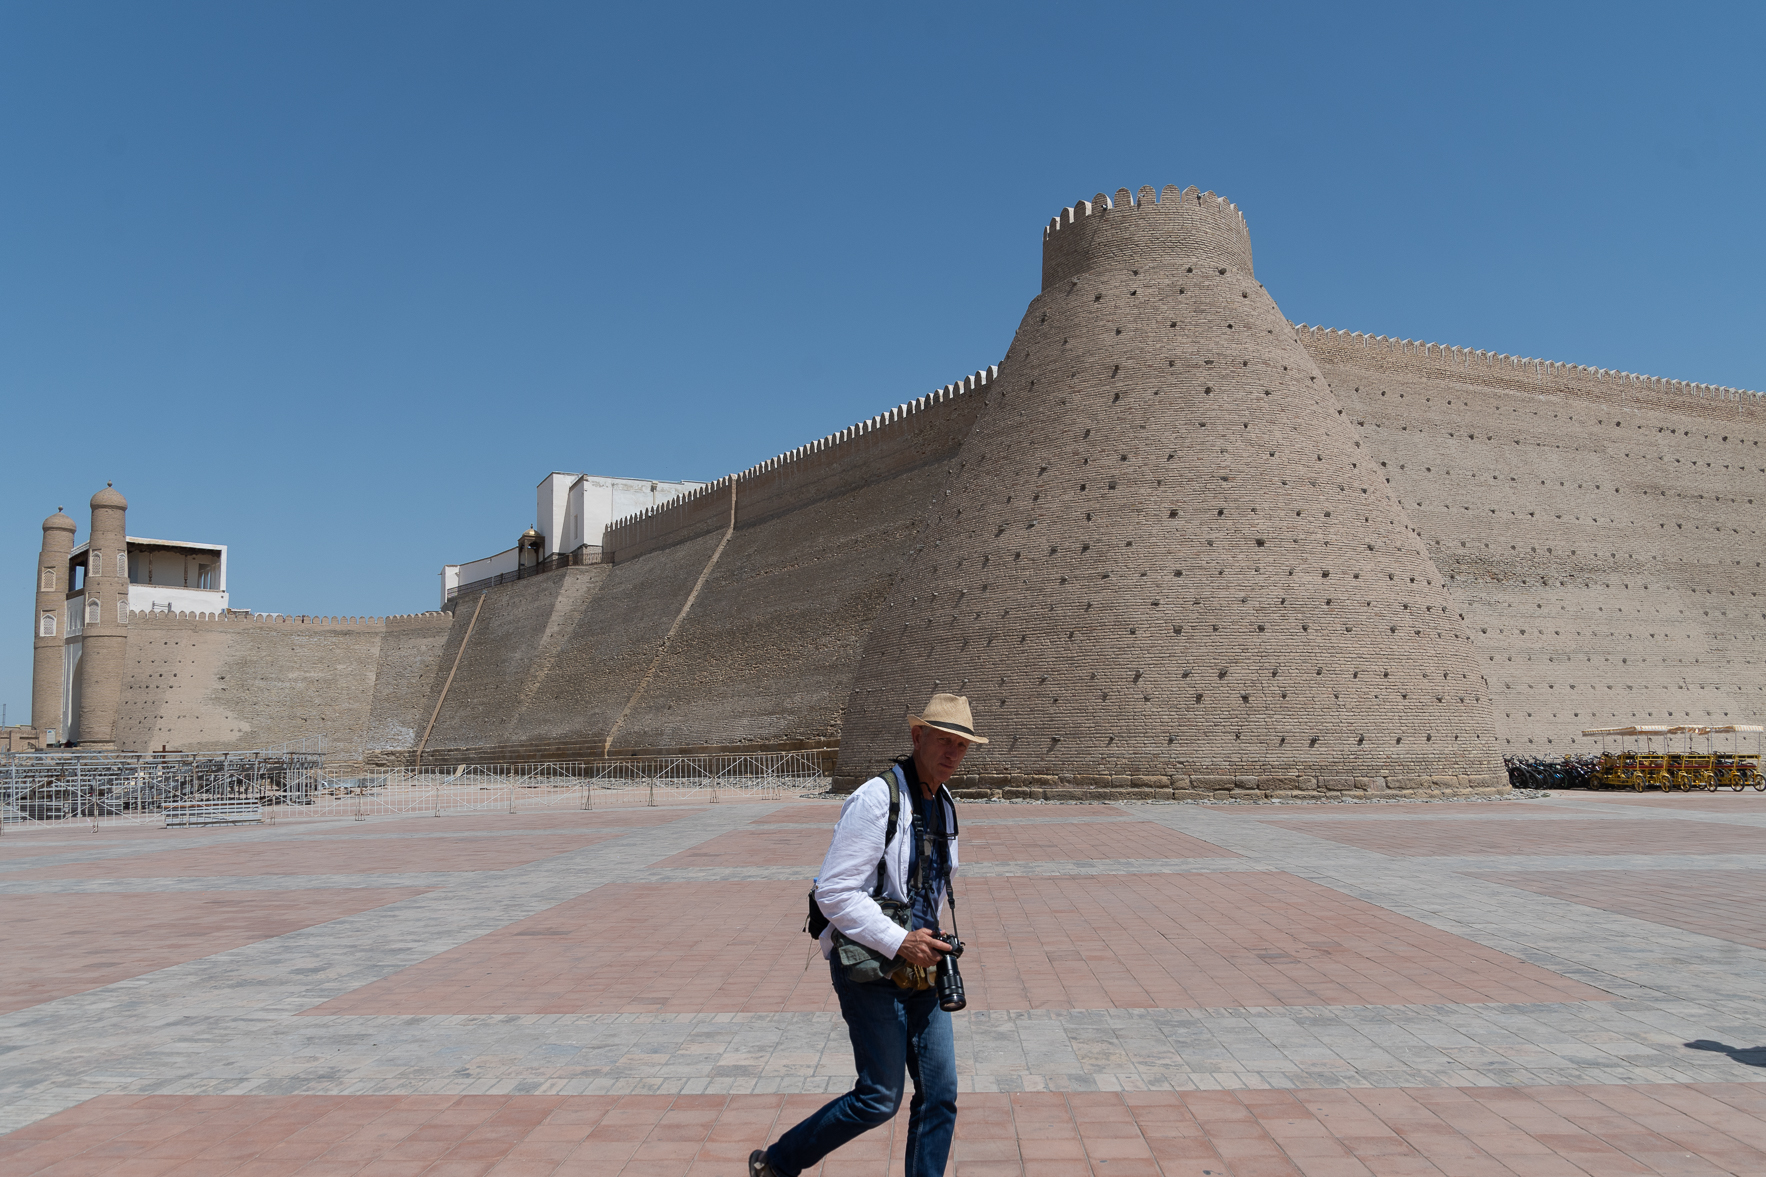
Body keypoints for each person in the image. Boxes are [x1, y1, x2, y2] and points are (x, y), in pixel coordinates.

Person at [751, 692, 984, 1177]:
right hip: (871, 966)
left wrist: (927, 935)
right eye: (944, 740)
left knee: (940, 1094)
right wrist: (900, 940)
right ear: (917, 737)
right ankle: (777, 1165)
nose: (953, 753)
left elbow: (929, 881)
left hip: (921, 965)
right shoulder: (877, 799)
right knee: (879, 1097)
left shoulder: (944, 804)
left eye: (961, 745)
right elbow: (833, 891)